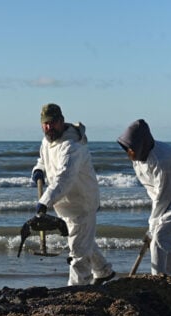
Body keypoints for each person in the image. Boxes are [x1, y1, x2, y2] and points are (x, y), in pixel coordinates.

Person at [30, 103, 115, 286]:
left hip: (82, 203)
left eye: (52, 123)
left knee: (77, 250)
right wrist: (38, 169)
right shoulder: (48, 141)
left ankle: (77, 289)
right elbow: (43, 160)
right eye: (45, 124)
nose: (48, 127)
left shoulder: (72, 146)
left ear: (61, 121)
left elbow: (64, 179)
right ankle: (103, 271)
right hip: (65, 204)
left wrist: (44, 201)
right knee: (83, 240)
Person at [117, 119, 171, 294]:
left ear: (141, 144)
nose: (128, 151)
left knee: (161, 238)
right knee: (166, 240)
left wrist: (152, 225)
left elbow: (164, 196)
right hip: (167, 193)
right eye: (127, 147)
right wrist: (153, 223)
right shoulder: (138, 156)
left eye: (131, 147)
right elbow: (155, 191)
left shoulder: (164, 162)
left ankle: (161, 286)